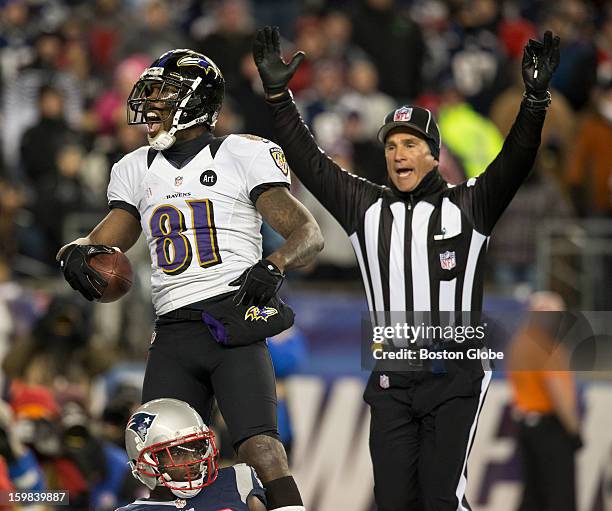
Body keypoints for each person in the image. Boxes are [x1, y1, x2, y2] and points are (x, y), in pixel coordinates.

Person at [253, 26, 560, 510]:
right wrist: (278, 96)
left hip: (453, 376)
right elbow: (310, 162)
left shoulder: (471, 205)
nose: (399, 153)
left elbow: (516, 159)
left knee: (440, 499)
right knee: (394, 501)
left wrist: (535, 101)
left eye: (411, 144)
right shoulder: (364, 206)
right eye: (392, 144)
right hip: (392, 377)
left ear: (435, 156)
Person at [57, 49, 324, 511]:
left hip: (233, 321)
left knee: (262, 450)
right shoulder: (135, 168)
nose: (152, 105)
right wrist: (74, 255)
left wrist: (273, 264)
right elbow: (103, 244)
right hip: (174, 331)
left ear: (196, 100)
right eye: (151, 94)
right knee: (161, 462)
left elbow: (309, 233)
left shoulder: (242, 153)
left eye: (163, 94)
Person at [118, 398, 266, 511]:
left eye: (196, 448)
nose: (193, 460)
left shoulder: (236, 480)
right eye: (176, 452)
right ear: (144, 461)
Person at [507, 291, 582, 511]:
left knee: (534, 495)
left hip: (527, 425)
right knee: (559, 497)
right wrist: (574, 430)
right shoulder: (546, 345)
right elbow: (557, 392)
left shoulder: (520, 341)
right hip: (550, 428)